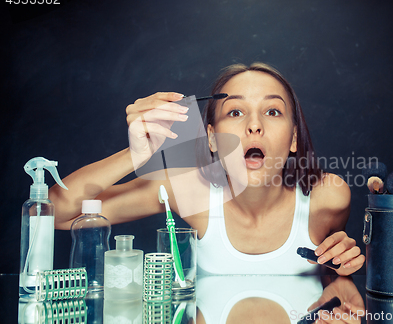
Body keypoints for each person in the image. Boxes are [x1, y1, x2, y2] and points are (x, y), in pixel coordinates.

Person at [50, 62, 365, 276]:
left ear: (294, 138)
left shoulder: (328, 196)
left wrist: (341, 271)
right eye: (236, 111)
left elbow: (334, 272)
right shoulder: (189, 192)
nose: (254, 126)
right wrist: (136, 154)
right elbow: (56, 212)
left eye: (272, 111)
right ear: (212, 138)